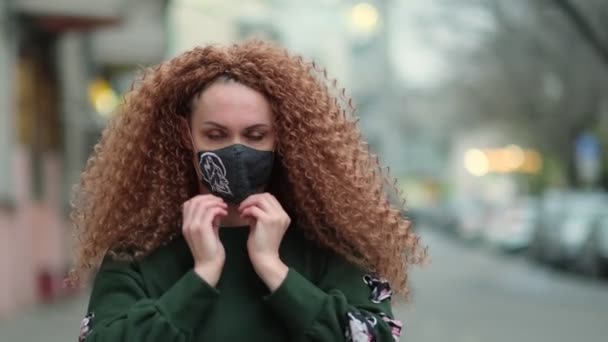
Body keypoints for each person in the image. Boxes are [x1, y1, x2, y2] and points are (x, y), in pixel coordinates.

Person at [71, 40, 423, 342]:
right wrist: (202, 275)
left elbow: (374, 335)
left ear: (281, 136)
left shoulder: (332, 242)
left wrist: (274, 269)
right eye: (215, 135)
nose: (236, 150)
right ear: (185, 135)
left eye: (255, 135)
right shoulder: (138, 249)